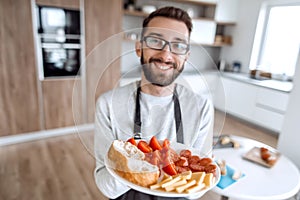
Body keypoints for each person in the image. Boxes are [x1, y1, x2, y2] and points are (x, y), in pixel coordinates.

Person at [94, 6, 214, 200]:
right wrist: (135, 162)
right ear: (139, 47)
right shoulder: (108, 105)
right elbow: (106, 186)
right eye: (156, 41)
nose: (166, 55)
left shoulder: (201, 108)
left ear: (186, 56)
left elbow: (196, 192)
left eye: (178, 45)